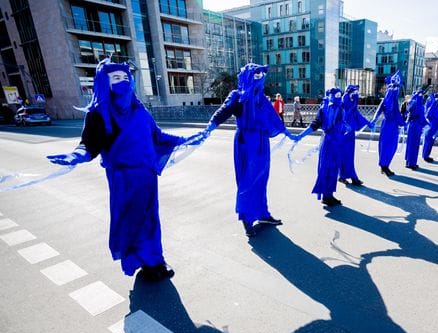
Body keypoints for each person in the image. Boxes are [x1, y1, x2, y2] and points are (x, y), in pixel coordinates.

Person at [46, 58, 207, 281]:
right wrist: (75, 155)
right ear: (105, 83)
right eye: (115, 78)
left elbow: (157, 136)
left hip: (147, 177)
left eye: (124, 77)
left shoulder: (139, 110)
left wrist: (186, 139)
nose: (121, 82)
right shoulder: (99, 113)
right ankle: (142, 262)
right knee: (133, 221)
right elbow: (89, 144)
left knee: (150, 220)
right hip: (124, 179)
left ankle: (155, 259)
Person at [203, 64, 295, 237]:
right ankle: (246, 218)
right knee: (247, 180)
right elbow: (224, 110)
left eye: (261, 75)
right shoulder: (238, 96)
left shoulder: (261, 99)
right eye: (255, 75)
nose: (259, 78)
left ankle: (262, 214)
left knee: (261, 179)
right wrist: (210, 126)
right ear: (247, 77)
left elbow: (273, 118)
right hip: (246, 143)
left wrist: (288, 133)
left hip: (261, 143)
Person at [293, 88, 347, 206]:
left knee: (332, 168)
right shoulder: (325, 109)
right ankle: (326, 196)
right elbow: (315, 124)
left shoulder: (338, 107)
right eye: (336, 95)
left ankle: (329, 194)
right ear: (331, 96)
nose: (339, 97)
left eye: (340, 95)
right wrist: (300, 135)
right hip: (329, 141)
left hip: (335, 141)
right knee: (327, 168)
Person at [370, 71, 405, 177]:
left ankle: (384, 166)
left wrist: (374, 120)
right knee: (389, 146)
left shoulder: (388, 99)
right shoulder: (391, 99)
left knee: (387, 146)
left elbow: (379, 111)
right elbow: (397, 114)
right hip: (391, 126)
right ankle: (384, 167)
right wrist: (403, 123)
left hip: (388, 125)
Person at [338, 84, 371, 186]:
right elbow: (345, 114)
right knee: (345, 155)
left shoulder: (351, 101)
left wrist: (368, 122)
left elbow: (357, 114)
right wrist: (355, 102)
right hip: (344, 132)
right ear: (350, 91)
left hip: (350, 132)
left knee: (349, 155)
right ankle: (349, 176)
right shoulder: (344, 100)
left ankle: (346, 176)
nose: (356, 94)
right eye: (355, 92)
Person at [404, 89, 427, 170]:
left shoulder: (416, 104)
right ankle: (411, 163)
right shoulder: (415, 104)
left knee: (413, 145)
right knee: (413, 145)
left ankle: (411, 162)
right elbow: (413, 113)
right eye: (421, 95)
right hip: (414, 126)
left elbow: (421, 117)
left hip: (415, 126)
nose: (422, 97)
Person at [422, 93, 438, 163]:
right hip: (432, 128)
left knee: (427, 142)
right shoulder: (434, 108)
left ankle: (425, 155)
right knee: (429, 142)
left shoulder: (430, 108)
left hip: (431, 127)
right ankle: (426, 156)